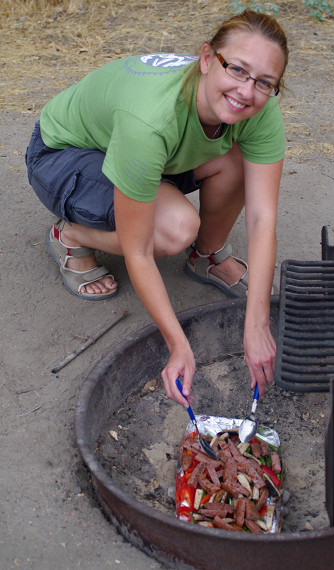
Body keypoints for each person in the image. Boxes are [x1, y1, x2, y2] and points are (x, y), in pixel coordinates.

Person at [25, 9, 289, 407]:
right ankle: (71, 235)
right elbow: (139, 251)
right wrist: (178, 344)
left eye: (264, 82)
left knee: (237, 159)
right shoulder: (150, 119)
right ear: (205, 59)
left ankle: (206, 255)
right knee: (173, 228)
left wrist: (257, 324)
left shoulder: (257, 108)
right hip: (66, 154)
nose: (247, 91)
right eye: (237, 69)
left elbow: (262, 215)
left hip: (150, 154)